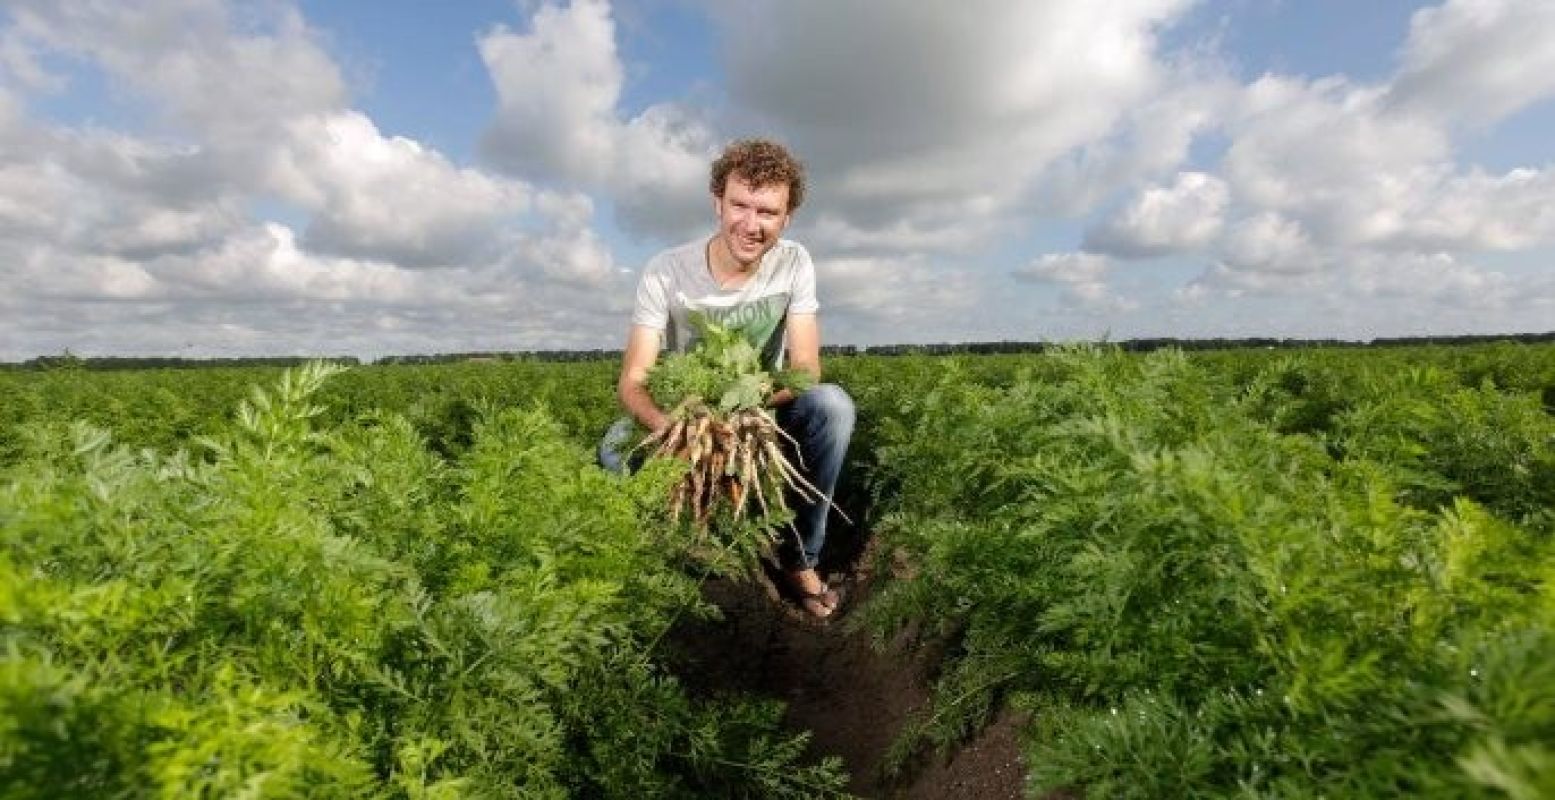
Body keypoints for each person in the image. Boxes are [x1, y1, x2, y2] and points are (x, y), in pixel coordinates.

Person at [600, 138, 855, 620]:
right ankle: (674, 555)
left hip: (763, 411)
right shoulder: (667, 272)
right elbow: (633, 381)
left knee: (833, 406)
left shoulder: (794, 263)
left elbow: (804, 370)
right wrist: (675, 428)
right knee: (614, 448)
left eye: (767, 211)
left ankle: (800, 558)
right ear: (718, 201)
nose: (751, 224)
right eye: (740, 205)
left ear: (786, 218)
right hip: (683, 416)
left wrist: (745, 412)